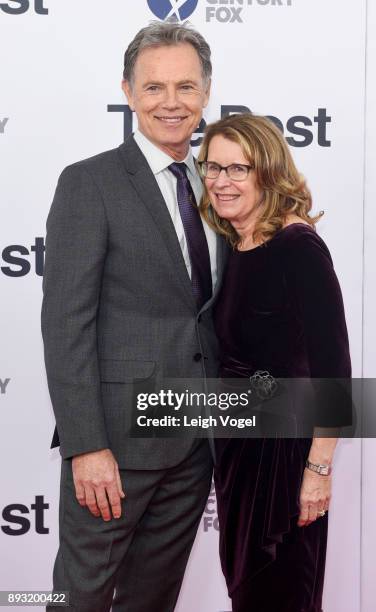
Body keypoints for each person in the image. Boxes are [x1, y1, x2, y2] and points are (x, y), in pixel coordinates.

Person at [41, 21, 228, 612]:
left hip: (197, 439)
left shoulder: (218, 184)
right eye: (153, 88)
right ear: (127, 92)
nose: (171, 103)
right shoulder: (89, 183)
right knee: (80, 599)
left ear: (205, 92)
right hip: (116, 447)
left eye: (185, 87)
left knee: (153, 600)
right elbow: (65, 325)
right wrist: (86, 446)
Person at [198, 113, 351, 612]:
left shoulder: (298, 247)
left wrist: (317, 470)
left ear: (267, 171)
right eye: (212, 167)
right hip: (240, 457)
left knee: (282, 594)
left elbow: (334, 373)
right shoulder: (234, 244)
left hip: (285, 462)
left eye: (237, 169)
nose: (221, 182)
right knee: (250, 596)